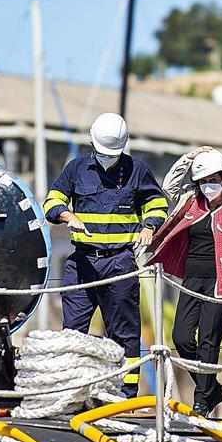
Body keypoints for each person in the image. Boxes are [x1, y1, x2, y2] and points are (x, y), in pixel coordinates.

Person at [43, 113, 169, 398]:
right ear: (91, 142)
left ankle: (125, 393)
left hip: (120, 262)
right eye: (102, 153)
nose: (107, 159)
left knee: (124, 332)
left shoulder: (138, 170)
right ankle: (70, 388)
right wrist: (66, 215)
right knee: (73, 331)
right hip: (83, 262)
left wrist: (150, 226)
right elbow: (52, 199)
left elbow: (157, 203)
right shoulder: (76, 169)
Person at [149, 146, 222, 417]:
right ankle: (211, 388)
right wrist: (189, 157)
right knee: (182, 337)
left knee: (209, 340)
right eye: (204, 181)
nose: (210, 186)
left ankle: (202, 399)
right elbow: (168, 185)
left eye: (214, 179)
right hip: (192, 278)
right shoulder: (189, 200)